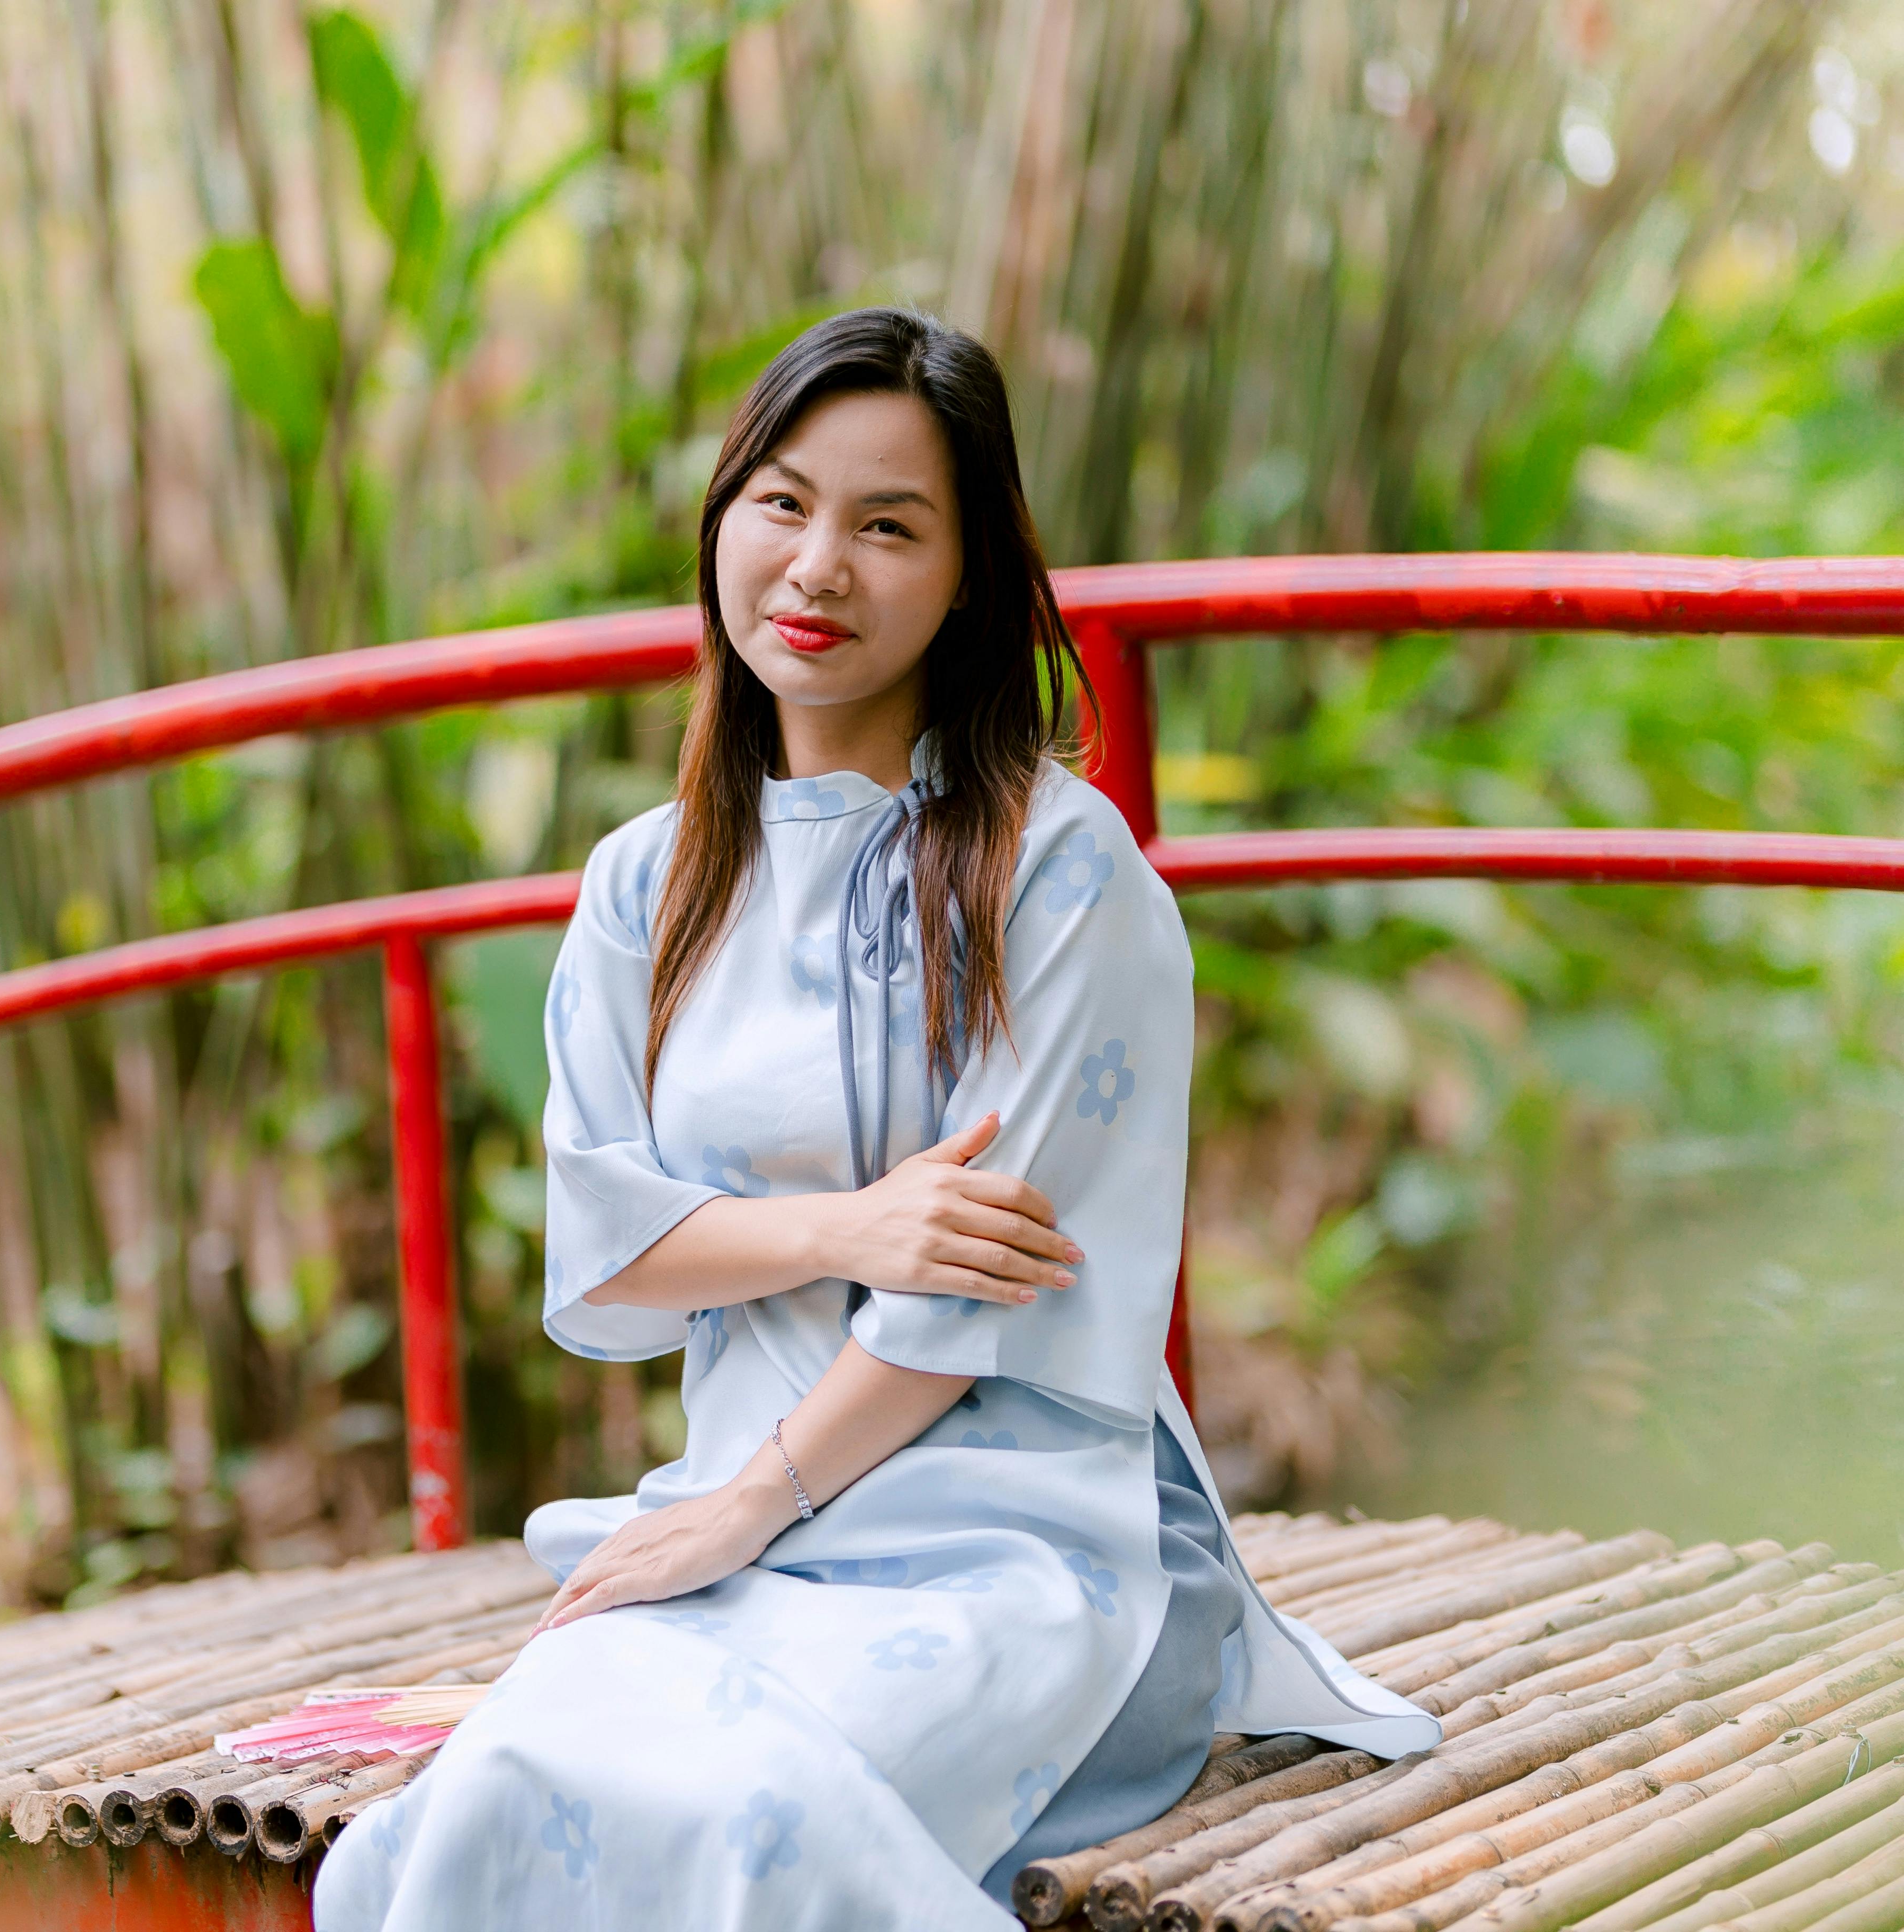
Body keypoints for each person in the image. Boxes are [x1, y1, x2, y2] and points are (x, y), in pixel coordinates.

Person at [311, 309, 1438, 1931]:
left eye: (888, 524)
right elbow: (609, 1255)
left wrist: (750, 1504)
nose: (817, 568)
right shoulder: (647, 882)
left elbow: (957, 1295)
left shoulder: (1063, 872)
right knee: (477, 1807)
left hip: (1022, 1550)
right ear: (722, 524)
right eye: (782, 503)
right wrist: (844, 1232)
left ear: (970, 575)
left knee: (746, 1810)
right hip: (730, 1535)